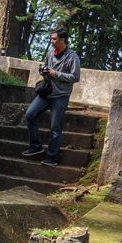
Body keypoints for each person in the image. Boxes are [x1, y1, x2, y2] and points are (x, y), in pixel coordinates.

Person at [22, 27, 81, 166]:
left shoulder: (73, 57)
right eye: (51, 38)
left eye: (54, 39)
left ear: (62, 40)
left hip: (60, 96)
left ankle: (52, 157)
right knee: (30, 114)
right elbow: (49, 70)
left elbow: (75, 77)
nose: (51, 41)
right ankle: (36, 146)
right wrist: (45, 71)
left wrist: (56, 74)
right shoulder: (50, 53)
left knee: (55, 127)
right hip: (46, 92)